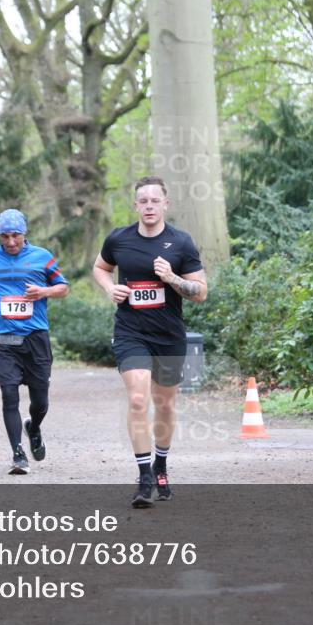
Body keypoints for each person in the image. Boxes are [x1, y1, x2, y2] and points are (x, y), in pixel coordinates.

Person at [92, 176, 208, 507]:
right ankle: (144, 478)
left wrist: (171, 278)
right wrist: (109, 287)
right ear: (136, 205)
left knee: (166, 404)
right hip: (131, 332)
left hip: (169, 335)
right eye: (143, 201)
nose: (148, 206)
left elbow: (201, 293)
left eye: (154, 201)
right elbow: (100, 268)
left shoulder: (181, 243)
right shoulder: (119, 239)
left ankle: (161, 465)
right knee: (139, 400)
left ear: (165, 204)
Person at [0, 209, 69, 474]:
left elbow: (63, 287)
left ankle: (34, 427)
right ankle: (18, 454)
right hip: (4, 339)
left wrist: (44, 291)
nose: (11, 241)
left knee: (40, 402)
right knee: (8, 395)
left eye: (15, 235)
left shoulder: (42, 257)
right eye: (5, 236)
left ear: (24, 233)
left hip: (36, 338)